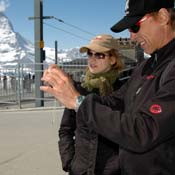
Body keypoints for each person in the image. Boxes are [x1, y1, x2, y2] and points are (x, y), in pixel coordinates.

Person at [40, 0, 175, 174]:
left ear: (163, 17)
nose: (132, 36)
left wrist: (78, 101)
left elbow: (144, 130)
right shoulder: (147, 65)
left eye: (135, 27)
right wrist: (70, 90)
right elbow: (117, 101)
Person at [58, 34, 124, 175]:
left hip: (113, 170)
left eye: (99, 55)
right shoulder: (78, 89)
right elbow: (66, 130)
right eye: (90, 54)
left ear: (112, 59)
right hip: (80, 170)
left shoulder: (124, 90)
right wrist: (69, 162)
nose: (92, 59)